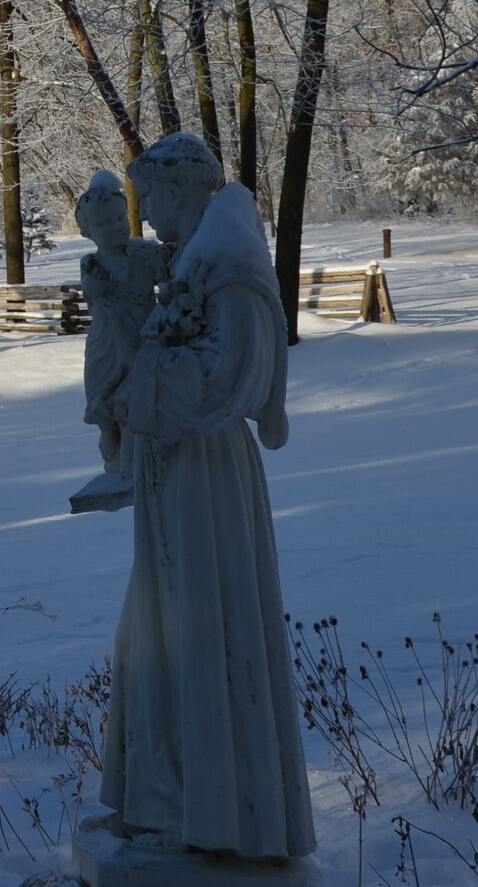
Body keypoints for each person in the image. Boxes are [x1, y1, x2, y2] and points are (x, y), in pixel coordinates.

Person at [99, 133, 315, 863]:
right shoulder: (192, 266)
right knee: (158, 630)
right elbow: (161, 364)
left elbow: (233, 380)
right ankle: (170, 797)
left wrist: (151, 368)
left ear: (188, 191)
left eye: (154, 197)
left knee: (198, 626)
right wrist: (126, 319)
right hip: (175, 472)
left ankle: (214, 809)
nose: (148, 213)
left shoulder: (232, 270)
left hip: (206, 478)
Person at [72, 171, 168, 515]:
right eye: (104, 223)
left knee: (136, 398)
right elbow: (93, 299)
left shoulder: (143, 253)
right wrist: (96, 291)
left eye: (119, 218)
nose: (115, 227)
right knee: (103, 393)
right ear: (87, 232)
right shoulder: (92, 262)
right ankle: (108, 435)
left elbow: (170, 268)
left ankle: (138, 459)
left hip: (142, 336)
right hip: (107, 341)